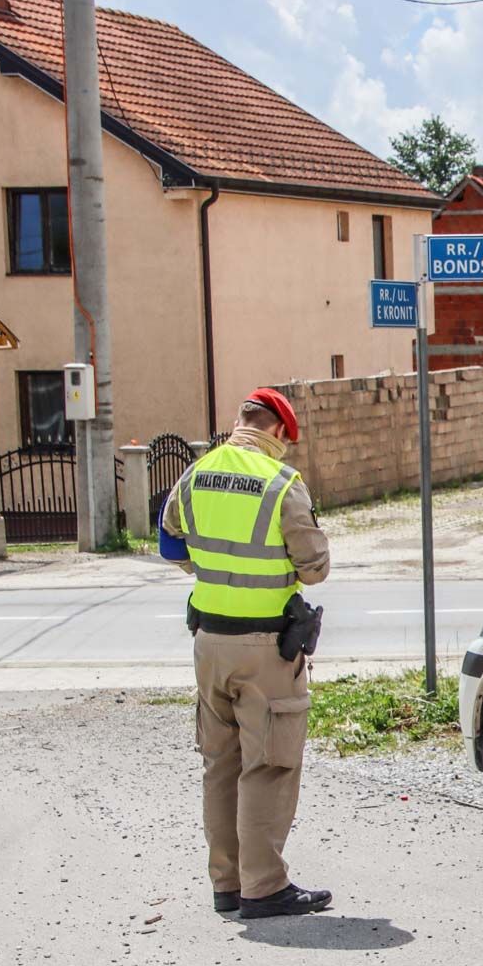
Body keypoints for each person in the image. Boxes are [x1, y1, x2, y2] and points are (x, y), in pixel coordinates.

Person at [159, 388, 333, 919]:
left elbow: (170, 546)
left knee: (221, 764)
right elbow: (315, 568)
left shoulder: (195, 474)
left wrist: (214, 570)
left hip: (209, 644)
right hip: (265, 649)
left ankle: (228, 885)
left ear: (240, 422)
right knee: (269, 764)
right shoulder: (282, 484)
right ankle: (265, 888)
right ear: (279, 431)